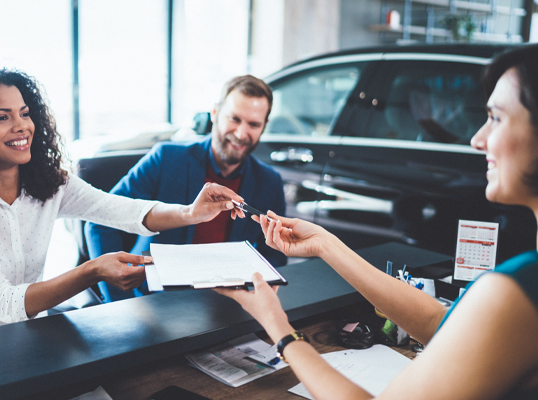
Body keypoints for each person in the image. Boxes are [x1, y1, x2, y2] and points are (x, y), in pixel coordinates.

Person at [216, 45, 538, 399]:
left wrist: (277, 325)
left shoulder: (518, 291)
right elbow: (438, 322)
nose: (477, 139)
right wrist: (326, 244)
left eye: (496, 118)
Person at [0, 67, 246, 342]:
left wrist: (191, 212)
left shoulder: (49, 184)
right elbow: (1, 302)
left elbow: (124, 211)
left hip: (20, 339)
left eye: (24, 113)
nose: (21, 125)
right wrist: (91, 270)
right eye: (1, 117)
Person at [85, 75, 286, 302]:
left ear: (264, 126)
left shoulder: (269, 181)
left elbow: (274, 254)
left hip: (226, 304)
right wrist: (119, 302)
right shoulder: (165, 159)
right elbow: (100, 222)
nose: (241, 133)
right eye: (234, 119)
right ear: (215, 113)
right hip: (153, 299)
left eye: (253, 124)